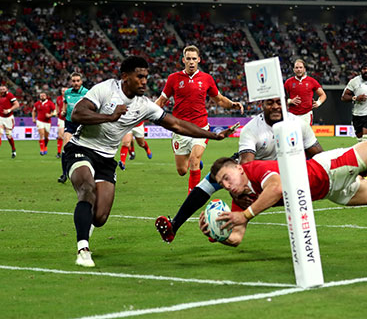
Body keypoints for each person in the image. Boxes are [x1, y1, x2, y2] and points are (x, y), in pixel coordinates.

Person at [203, 52, 367, 246]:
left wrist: (244, 216)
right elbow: (236, 237)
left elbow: (276, 187)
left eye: (226, 177)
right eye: (222, 183)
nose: (225, 185)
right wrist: (217, 233)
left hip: (329, 168)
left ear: (237, 168)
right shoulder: (239, 197)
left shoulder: (256, 168)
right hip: (329, 191)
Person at [66, 56, 238, 268]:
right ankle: (83, 249)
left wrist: (213, 135)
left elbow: (177, 125)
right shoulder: (105, 89)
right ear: (125, 77)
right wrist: (110, 117)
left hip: (107, 158)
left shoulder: (144, 105)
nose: (144, 81)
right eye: (139, 77)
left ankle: (86, 225)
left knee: (100, 217)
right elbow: (77, 114)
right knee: (86, 187)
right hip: (81, 148)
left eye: (146, 77)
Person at [155, 97, 324, 243]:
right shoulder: (252, 128)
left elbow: (320, 156)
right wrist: (237, 193)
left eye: (279, 102)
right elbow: (246, 167)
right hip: (253, 168)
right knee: (212, 179)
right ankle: (174, 226)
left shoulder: (298, 124)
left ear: (286, 104)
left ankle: (222, 227)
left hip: (281, 169)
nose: (274, 107)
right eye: (269, 103)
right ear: (261, 104)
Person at [155, 45, 244, 193]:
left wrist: (232, 105)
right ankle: (195, 163)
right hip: (180, 128)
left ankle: (192, 196)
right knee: (182, 170)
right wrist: (146, 110)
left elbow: (219, 100)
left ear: (199, 60)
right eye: (188, 59)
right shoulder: (173, 78)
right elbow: (162, 101)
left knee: (194, 160)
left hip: (200, 127)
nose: (191, 62)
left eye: (194, 59)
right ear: (183, 60)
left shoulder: (206, 79)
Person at [341, 62, 367, 180]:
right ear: (361, 70)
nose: (366, 71)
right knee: (360, 144)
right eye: (364, 69)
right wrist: (355, 98)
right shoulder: (354, 82)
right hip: (357, 115)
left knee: (366, 141)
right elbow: (344, 97)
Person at [59, 73, 89, 183]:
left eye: (77, 81)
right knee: (66, 146)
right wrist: (63, 110)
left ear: (81, 82)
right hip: (70, 123)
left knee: (85, 149)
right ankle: (64, 174)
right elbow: (65, 103)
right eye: (73, 81)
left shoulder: (86, 92)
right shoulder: (67, 92)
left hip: (82, 123)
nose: (75, 83)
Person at [284, 59, 327, 126]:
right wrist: (290, 101)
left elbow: (323, 95)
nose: (299, 69)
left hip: (306, 115)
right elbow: (281, 98)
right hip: (292, 114)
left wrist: (318, 102)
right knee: (293, 136)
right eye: (296, 68)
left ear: (304, 69)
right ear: (293, 70)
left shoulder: (312, 81)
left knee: (306, 136)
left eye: (301, 67)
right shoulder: (288, 82)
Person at [0, 85, 20, 158]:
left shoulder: (9, 95)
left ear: (6, 89)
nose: (2, 90)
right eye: (1, 89)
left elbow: (17, 104)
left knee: (8, 136)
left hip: (8, 118)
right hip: (0, 118)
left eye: (3, 89)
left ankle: (13, 149)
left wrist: (9, 110)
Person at [55, 87, 67, 158]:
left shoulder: (69, 98)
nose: (64, 92)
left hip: (68, 119)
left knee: (67, 136)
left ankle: (66, 152)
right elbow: (56, 104)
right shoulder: (58, 98)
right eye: (62, 91)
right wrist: (56, 111)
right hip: (61, 119)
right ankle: (59, 152)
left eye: (65, 91)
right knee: (60, 136)